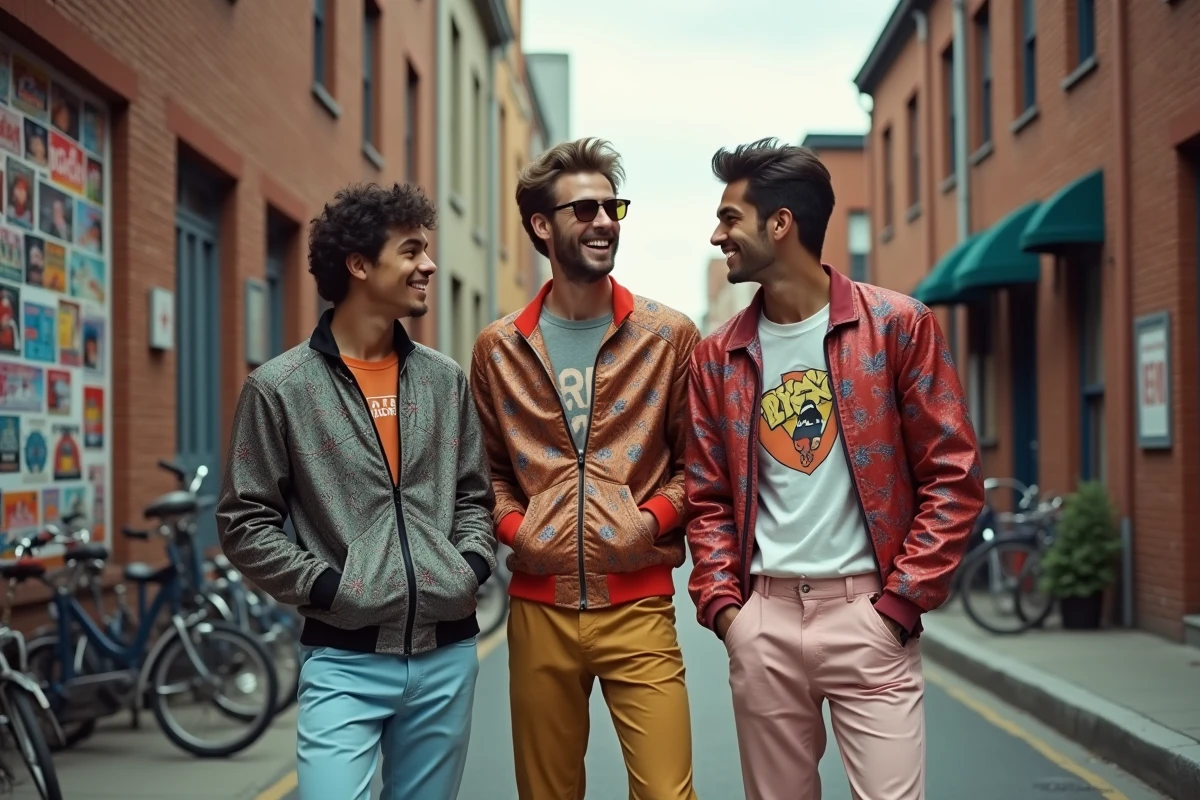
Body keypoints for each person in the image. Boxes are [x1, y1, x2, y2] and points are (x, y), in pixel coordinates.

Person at [685, 138, 985, 800]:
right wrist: (727, 611)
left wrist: (901, 602)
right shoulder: (716, 357)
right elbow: (705, 497)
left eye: (730, 218)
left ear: (781, 224)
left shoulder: (898, 327)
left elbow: (953, 475)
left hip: (868, 617)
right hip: (761, 619)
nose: (717, 235)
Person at [216, 182, 496, 800]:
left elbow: (474, 494)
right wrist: (326, 587)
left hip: (447, 653)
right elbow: (244, 520)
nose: (427, 265)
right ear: (360, 264)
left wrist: (468, 565)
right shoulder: (281, 387)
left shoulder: (444, 379)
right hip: (344, 659)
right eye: (411, 250)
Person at [470, 137, 700, 800]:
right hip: (538, 609)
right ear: (543, 226)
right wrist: (518, 529)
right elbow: (484, 472)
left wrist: (644, 521)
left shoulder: (668, 336)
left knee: (666, 794)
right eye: (585, 210)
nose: (604, 221)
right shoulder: (499, 347)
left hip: (639, 603)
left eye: (612, 207)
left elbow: (700, 467)